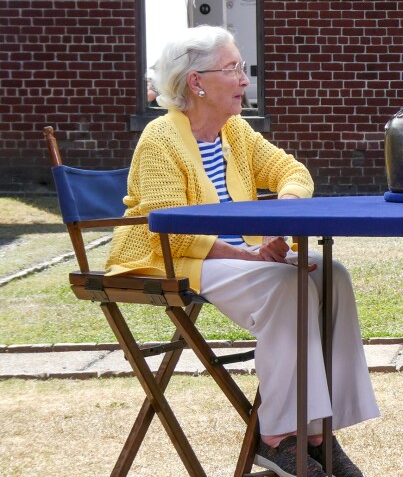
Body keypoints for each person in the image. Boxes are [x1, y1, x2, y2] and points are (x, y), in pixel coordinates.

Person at [106, 25, 379, 477]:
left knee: (334, 274)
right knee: (287, 286)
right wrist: (250, 256)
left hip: (235, 256)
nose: (245, 80)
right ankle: (275, 437)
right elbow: (170, 230)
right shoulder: (160, 138)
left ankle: (316, 431)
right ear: (197, 82)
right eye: (234, 69)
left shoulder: (235, 132)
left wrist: (285, 212)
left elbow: (292, 171)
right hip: (173, 260)